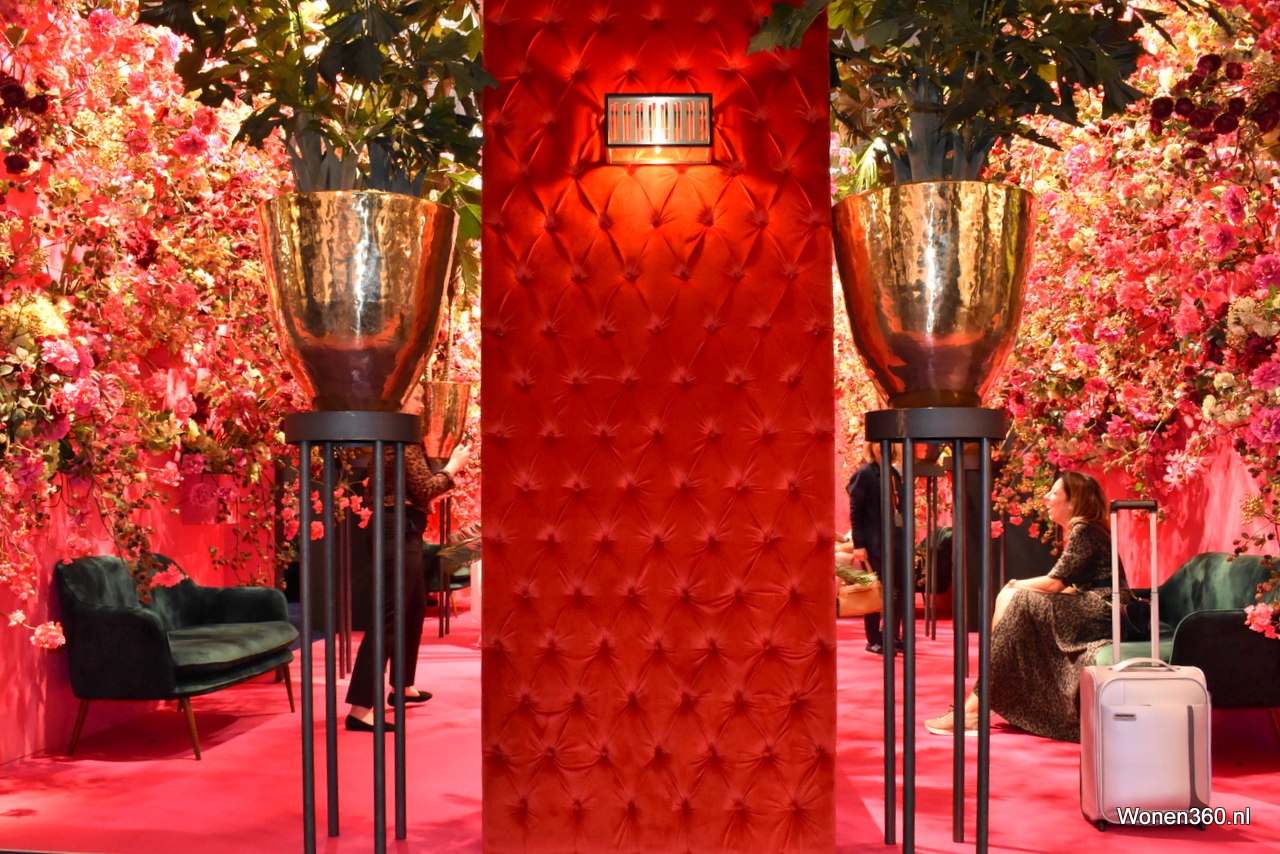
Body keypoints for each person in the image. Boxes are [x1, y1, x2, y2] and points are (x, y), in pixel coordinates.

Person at [924, 470, 1128, 742]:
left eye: (1054, 492)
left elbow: (1055, 584)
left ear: (1073, 501)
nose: (1047, 497)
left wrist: (1014, 585)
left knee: (1017, 598)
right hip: (1094, 607)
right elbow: (1066, 586)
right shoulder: (1088, 529)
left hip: (1100, 610)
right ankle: (979, 700)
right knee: (1017, 602)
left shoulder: (1084, 529)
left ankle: (973, 708)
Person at [344, 391, 473, 733]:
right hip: (397, 530)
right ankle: (360, 708)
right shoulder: (402, 440)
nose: (421, 404)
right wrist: (452, 468)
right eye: (415, 398)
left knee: (413, 608)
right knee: (390, 616)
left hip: (402, 528)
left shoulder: (390, 438)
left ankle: (401, 685)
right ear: (401, 403)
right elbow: (425, 488)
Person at [846, 441, 907, 656]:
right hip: (874, 544)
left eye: (886, 443)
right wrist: (859, 545)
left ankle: (892, 635)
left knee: (898, 591)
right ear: (871, 447)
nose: (882, 447)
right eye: (877, 443)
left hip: (897, 543)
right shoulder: (864, 474)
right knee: (873, 592)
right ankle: (873, 639)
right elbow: (855, 513)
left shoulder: (895, 473)